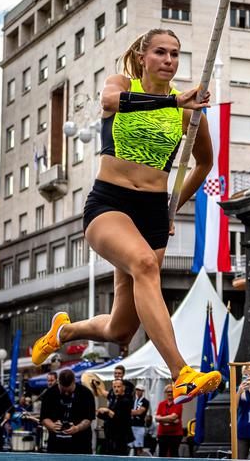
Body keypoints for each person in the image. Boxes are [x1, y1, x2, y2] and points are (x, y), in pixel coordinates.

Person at [31, 28, 216, 406]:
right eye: (161, 53)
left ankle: (64, 332)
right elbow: (111, 101)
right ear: (143, 56)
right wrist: (173, 102)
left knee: (121, 329)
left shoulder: (186, 108)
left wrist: (173, 206)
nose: (169, 60)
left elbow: (205, 163)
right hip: (109, 204)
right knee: (146, 265)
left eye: (175, 54)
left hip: (151, 213)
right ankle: (182, 373)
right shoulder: (123, 84)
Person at [40, 368, 96, 454]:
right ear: (58, 382)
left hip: (80, 446)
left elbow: (88, 419)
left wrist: (77, 428)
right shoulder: (49, 394)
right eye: (62, 390)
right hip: (56, 447)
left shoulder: (86, 394)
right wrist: (52, 425)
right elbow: (44, 417)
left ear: (74, 381)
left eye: (69, 391)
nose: (66, 393)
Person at [97, 379, 134, 455]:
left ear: (123, 388)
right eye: (114, 387)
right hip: (110, 435)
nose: (116, 389)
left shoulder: (126, 400)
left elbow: (119, 418)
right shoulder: (114, 400)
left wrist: (107, 410)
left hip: (120, 437)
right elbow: (109, 417)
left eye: (118, 387)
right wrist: (99, 413)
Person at [155, 384, 184, 457]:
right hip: (162, 434)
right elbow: (156, 418)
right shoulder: (161, 404)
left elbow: (174, 417)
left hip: (175, 435)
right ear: (165, 393)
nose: (170, 393)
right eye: (168, 392)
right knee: (162, 454)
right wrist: (170, 419)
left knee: (174, 454)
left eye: (171, 391)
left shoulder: (178, 403)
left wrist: (162, 419)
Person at [130, 383, 151, 455]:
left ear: (143, 391)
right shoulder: (132, 400)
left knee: (139, 447)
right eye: (137, 390)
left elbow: (139, 412)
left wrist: (129, 412)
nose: (138, 391)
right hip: (131, 425)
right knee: (130, 446)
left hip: (140, 426)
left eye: (140, 390)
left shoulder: (145, 401)